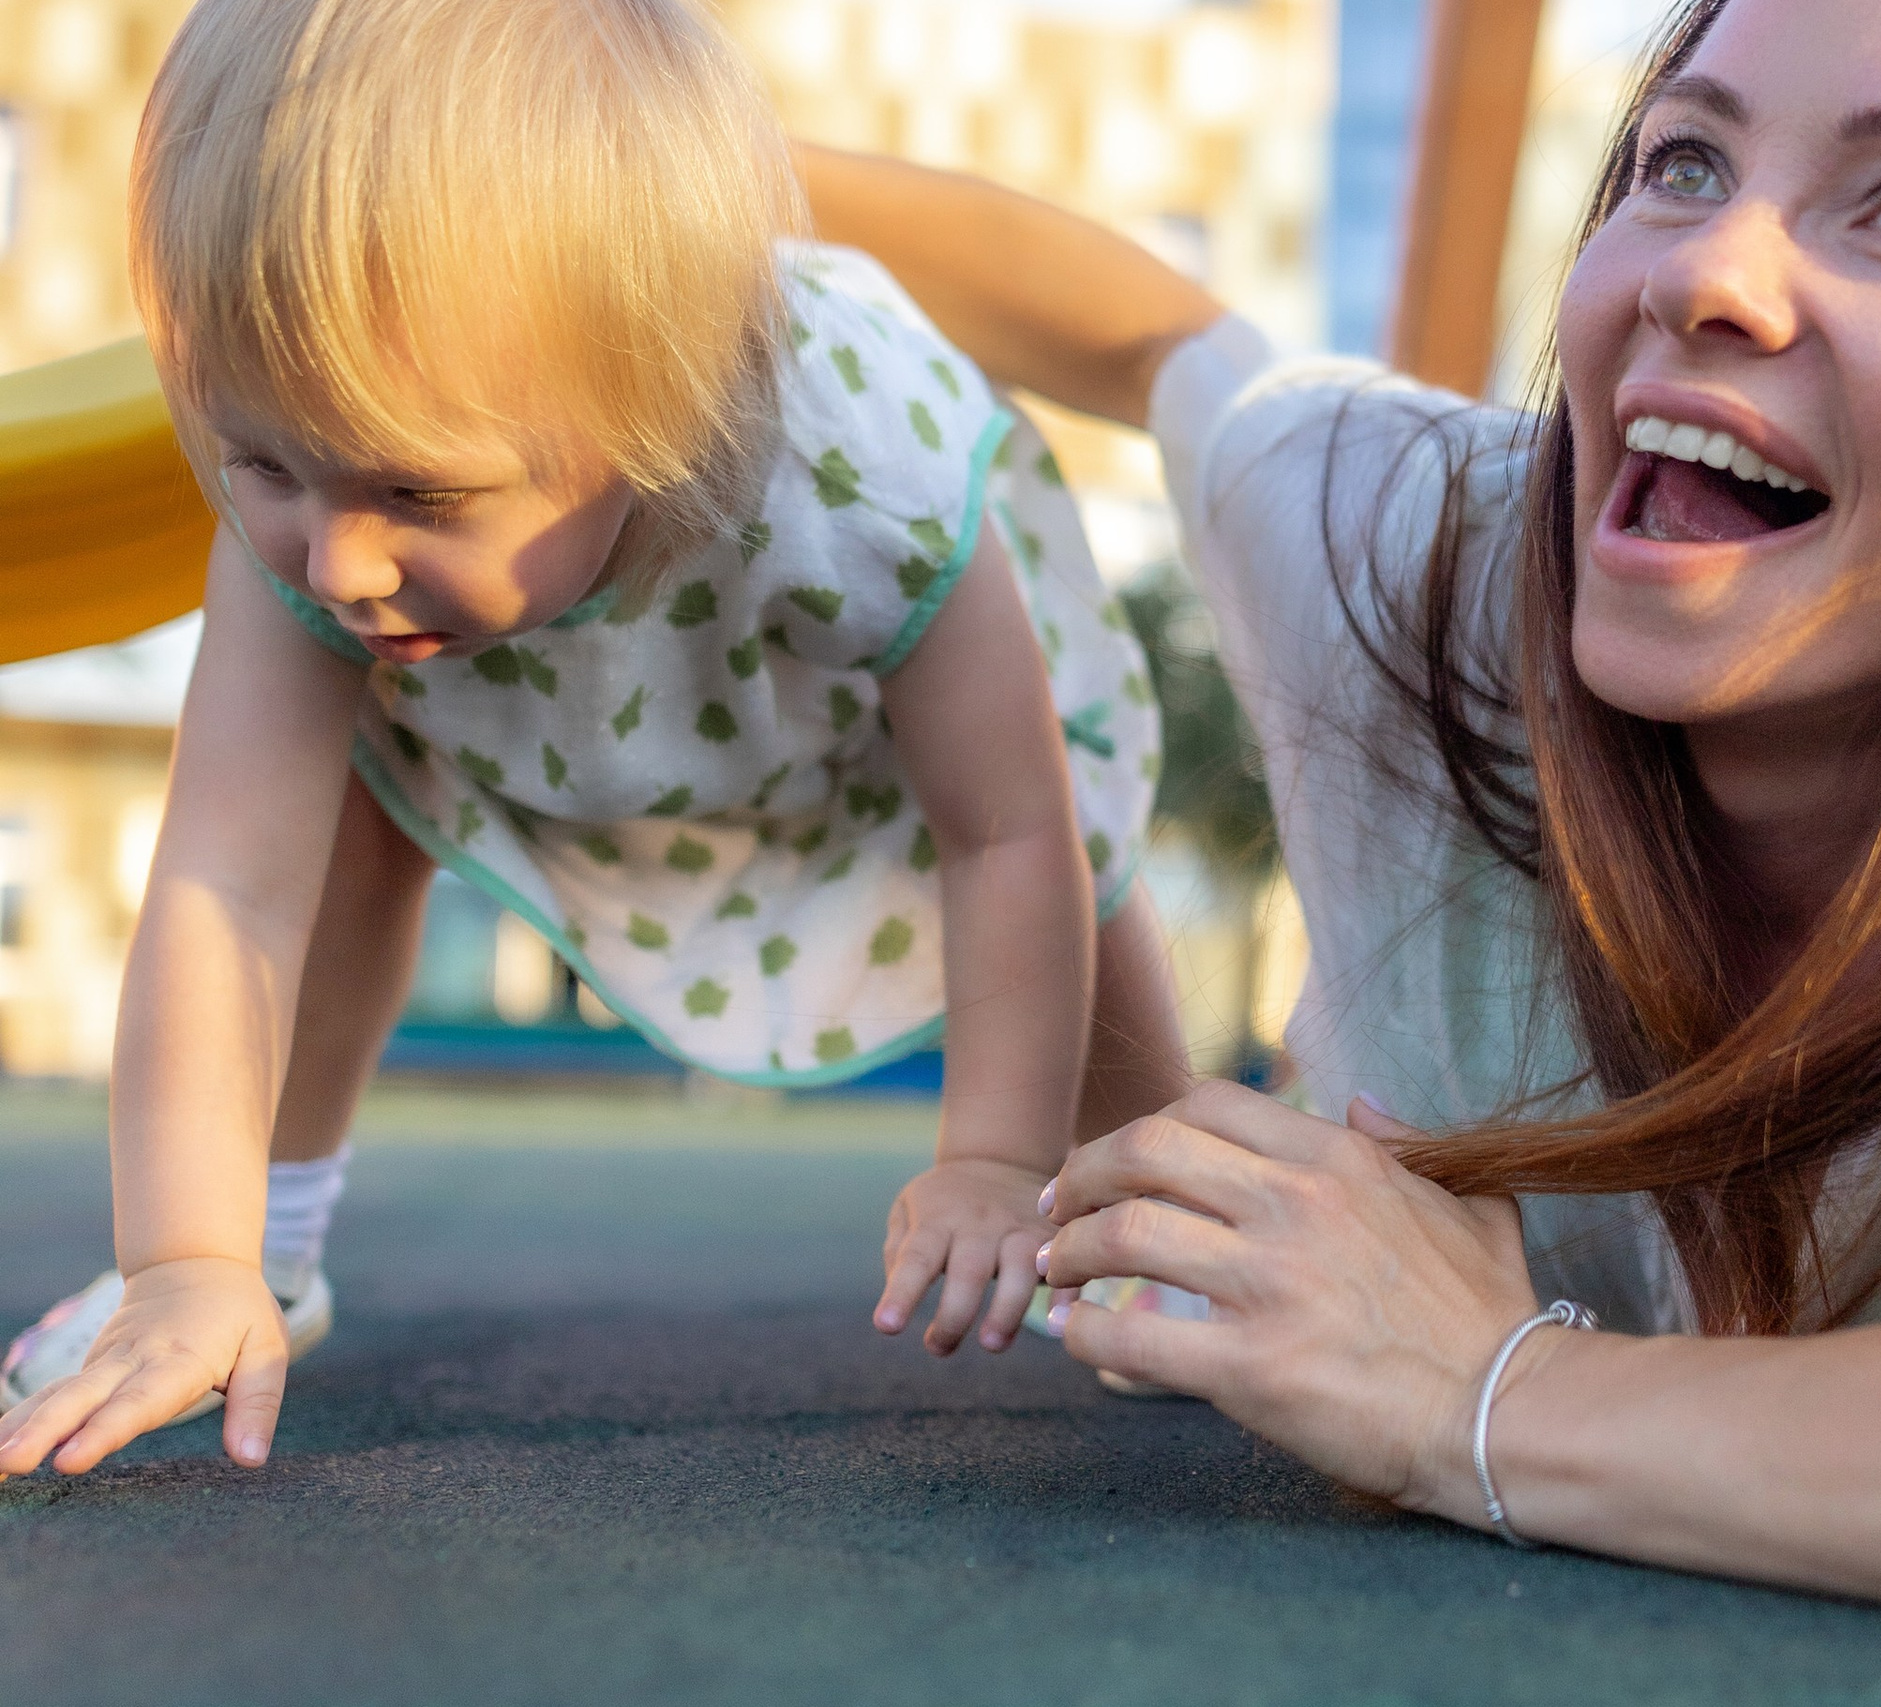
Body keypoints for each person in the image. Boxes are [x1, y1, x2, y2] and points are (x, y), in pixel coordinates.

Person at [800, 0, 1881, 1690]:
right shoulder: (1418, 552)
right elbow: (1154, 336)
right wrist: (655, 186)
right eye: (1680, 160)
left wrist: (1477, 1398)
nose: (1703, 271)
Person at [0, 0, 1190, 1472]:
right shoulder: (322, 519)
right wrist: (185, 1253)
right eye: (265, 463)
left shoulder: (864, 475)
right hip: (528, 705)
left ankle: (1171, 1217)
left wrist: (993, 1162)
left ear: (659, 404)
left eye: (419, 495)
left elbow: (1006, 832)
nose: (336, 562)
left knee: (1092, 860)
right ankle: (265, 1245)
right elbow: (225, 885)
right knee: (358, 831)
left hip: (857, 719)